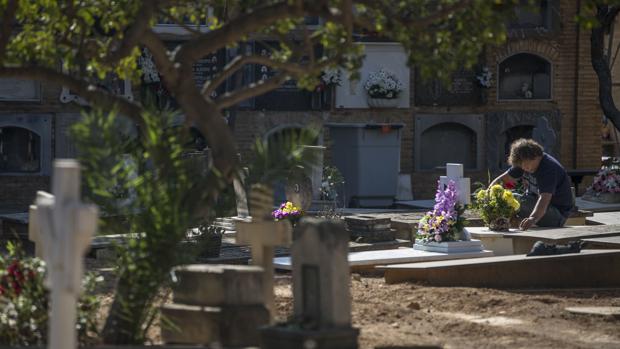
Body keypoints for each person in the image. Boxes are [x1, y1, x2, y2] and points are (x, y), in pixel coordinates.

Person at [489, 138, 574, 230]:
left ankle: (514, 221)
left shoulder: (549, 168)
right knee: (504, 197)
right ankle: (506, 223)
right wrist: (488, 194)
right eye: (521, 165)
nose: (524, 168)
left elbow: (544, 199)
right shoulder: (523, 163)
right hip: (535, 204)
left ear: (536, 156)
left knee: (512, 198)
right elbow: (502, 180)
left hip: (557, 215)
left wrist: (533, 218)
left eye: (526, 165)